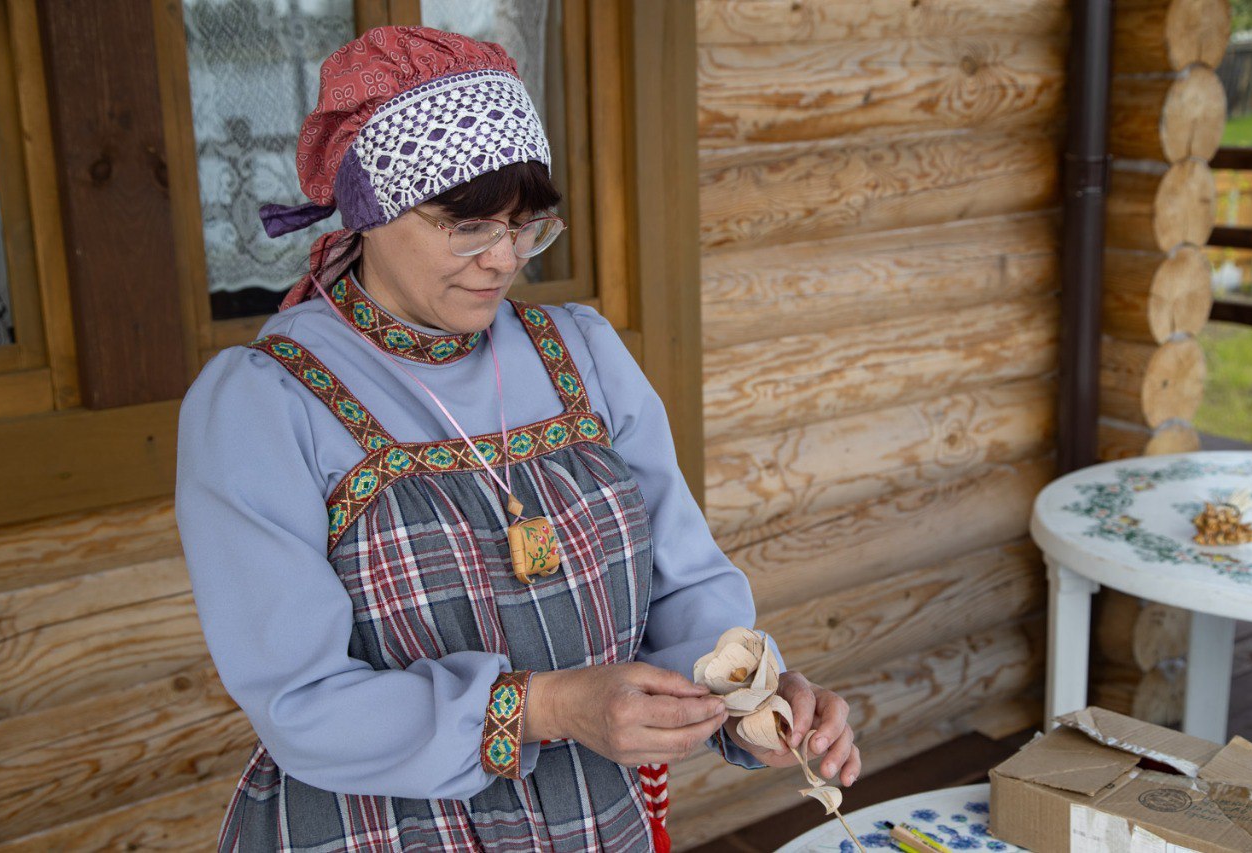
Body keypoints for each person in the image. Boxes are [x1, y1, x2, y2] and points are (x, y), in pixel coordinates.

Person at [176, 26, 860, 852]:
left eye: (526, 225)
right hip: (378, 832)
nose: (502, 259)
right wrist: (548, 706)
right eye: (465, 226)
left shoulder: (581, 352)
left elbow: (686, 583)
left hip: (590, 824)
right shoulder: (264, 402)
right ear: (372, 207)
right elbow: (303, 703)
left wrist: (755, 703)